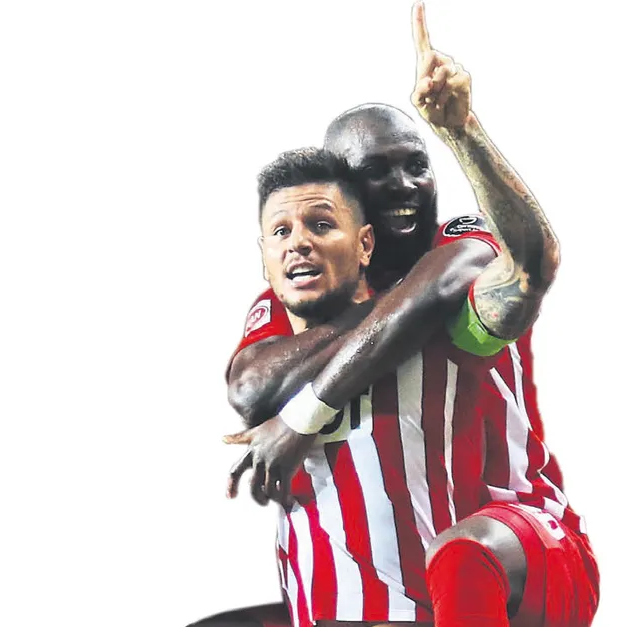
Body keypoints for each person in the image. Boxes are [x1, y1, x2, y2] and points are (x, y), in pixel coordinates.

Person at [195, 5, 597, 627]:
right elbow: (251, 387)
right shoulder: (297, 295)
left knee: (463, 559)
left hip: (520, 552)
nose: (406, 184)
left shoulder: (461, 245)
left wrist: (461, 132)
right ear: (343, 199)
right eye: (376, 173)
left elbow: (527, 265)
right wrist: (400, 307)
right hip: (372, 593)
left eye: (416, 164)